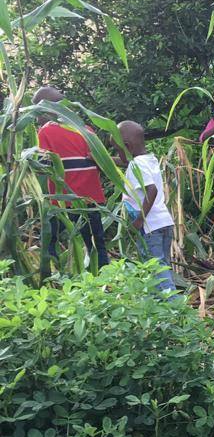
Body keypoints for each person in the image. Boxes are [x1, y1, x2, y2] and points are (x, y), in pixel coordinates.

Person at [34, 85, 109, 270]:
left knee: (50, 242)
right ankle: (105, 282)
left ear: (48, 110)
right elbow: (101, 164)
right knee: (96, 243)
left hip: (62, 201)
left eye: (37, 112)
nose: (36, 118)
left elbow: (42, 166)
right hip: (91, 199)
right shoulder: (87, 130)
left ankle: (51, 279)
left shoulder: (46, 131)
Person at [117, 121, 175, 294]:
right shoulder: (148, 159)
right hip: (163, 222)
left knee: (157, 272)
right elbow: (125, 162)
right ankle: (162, 310)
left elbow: (152, 189)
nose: (117, 154)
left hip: (150, 227)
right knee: (162, 268)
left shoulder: (136, 165)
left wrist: (140, 219)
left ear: (127, 146)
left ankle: (175, 308)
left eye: (117, 150)